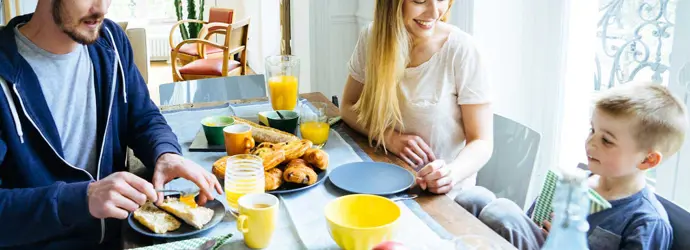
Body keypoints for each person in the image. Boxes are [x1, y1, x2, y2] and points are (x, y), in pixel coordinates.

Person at [0, 0, 222, 248]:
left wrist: (165, 152)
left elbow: (143, 116)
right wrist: (81, 199)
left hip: (122, 237)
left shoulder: (112, 41)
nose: (103, 8)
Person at [456, 82, 685, 250]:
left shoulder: (646, 222)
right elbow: (527, 226)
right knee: (473, 198)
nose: (591, 142)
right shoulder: (574, 183)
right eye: (592, 130)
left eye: (607, 140)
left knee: (500, 212)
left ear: (647, 160)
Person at [340, 0, 493, 196]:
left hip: (442, 195)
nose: (434, 12)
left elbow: (481, 142)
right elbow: (348, 106)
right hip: (383, 176)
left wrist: (450, 173)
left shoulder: (463, 50)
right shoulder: (372, 38)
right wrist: (389, 137)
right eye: (420, 0)